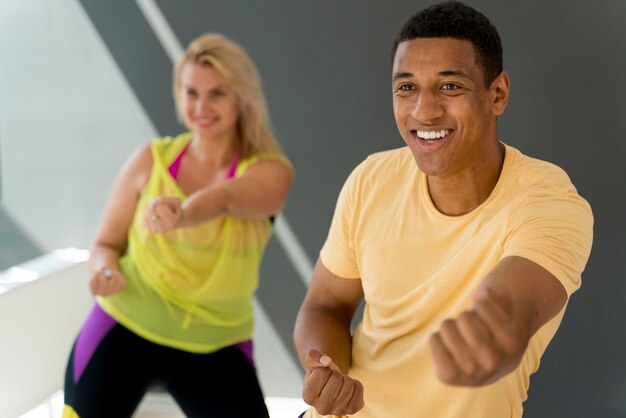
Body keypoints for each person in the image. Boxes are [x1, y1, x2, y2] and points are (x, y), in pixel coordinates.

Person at [293, 2, 593, 417]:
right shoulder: (371, 179)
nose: (423, 110)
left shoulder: (549, 202)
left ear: (498, 94)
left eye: (450, 87)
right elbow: (324, 304)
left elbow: (514, 305)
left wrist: (491, 336)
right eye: (406, 87)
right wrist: (323, 369)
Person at [62, 33, 293, 418]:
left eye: (217, 93)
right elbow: (105, 243)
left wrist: (182, 215)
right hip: (127, 322)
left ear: (242, 97)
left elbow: (225, 199)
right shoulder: (148, 161)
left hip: (216, 342)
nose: (202, 106)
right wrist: (105, 270)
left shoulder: (270, 171)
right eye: (191, 93)